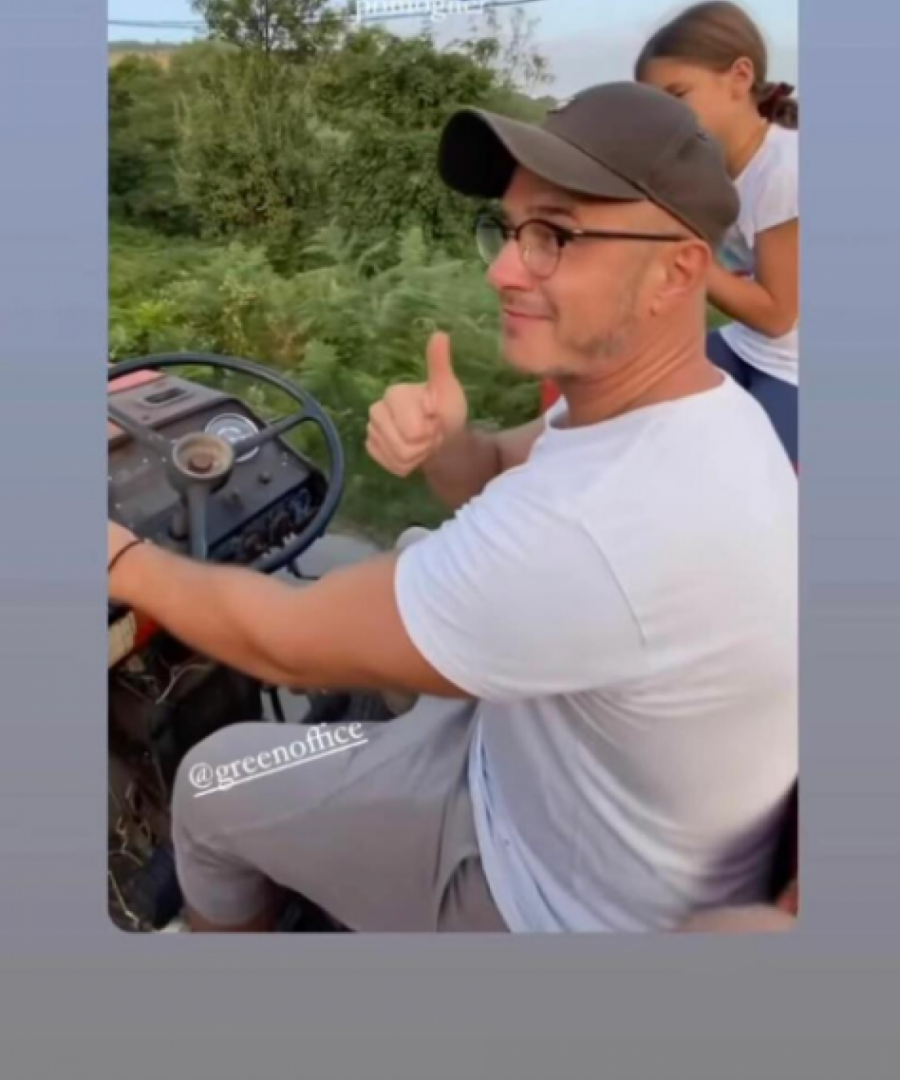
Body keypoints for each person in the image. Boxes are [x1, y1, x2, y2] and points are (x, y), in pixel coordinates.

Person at [107, 81, 797, 933]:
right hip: (564, 774)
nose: (504, 269)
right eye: (509, 229)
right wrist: (450, 444)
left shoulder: (597, 527)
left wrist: (121, 559)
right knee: (411, 544)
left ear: (677, 269)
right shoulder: (700, 410)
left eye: (555, 235)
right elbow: (504, 468)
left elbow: (282, 642)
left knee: (214, 781)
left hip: (534, 886)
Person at [635, 1, 798, 465]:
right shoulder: (712, 167)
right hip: (748, 344)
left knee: (738, 469)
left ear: (740, 78)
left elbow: (777, 317)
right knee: (626, 389)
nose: (666, 121)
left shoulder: (783, 171)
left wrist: (678, 251)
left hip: (793, 366)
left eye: (678, 96)